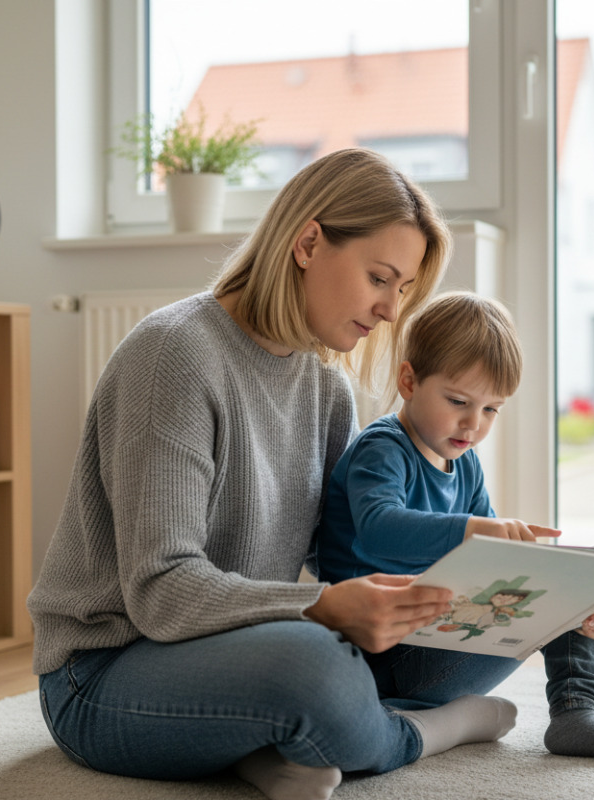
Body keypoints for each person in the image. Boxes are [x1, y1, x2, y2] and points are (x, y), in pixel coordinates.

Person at [27, 149, 523, 800]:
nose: (390, 312)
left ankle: (269, 745)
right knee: (318, 673)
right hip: (109, 667)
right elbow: (161, 594)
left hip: (243, 641)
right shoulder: (173, 354)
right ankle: (426, 733)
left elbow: (335, 555)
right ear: (309, 242)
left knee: (504, 628)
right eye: (381, 279)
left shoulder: (326, 390)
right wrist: (320, 608)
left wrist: (458, 596)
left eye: (403, 291)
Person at [313, 292, 594, 763]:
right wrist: (476, 531)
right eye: (458, 401)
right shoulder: (382, 449)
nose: (473, 423)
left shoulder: (464, 464)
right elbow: (378, 529)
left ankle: (589, 704)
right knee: (554, 597)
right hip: (384, 660)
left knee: (564, 588)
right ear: (409, 380)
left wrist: (587, 601)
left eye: (492, 409)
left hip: (434, 640)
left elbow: (489, 568)